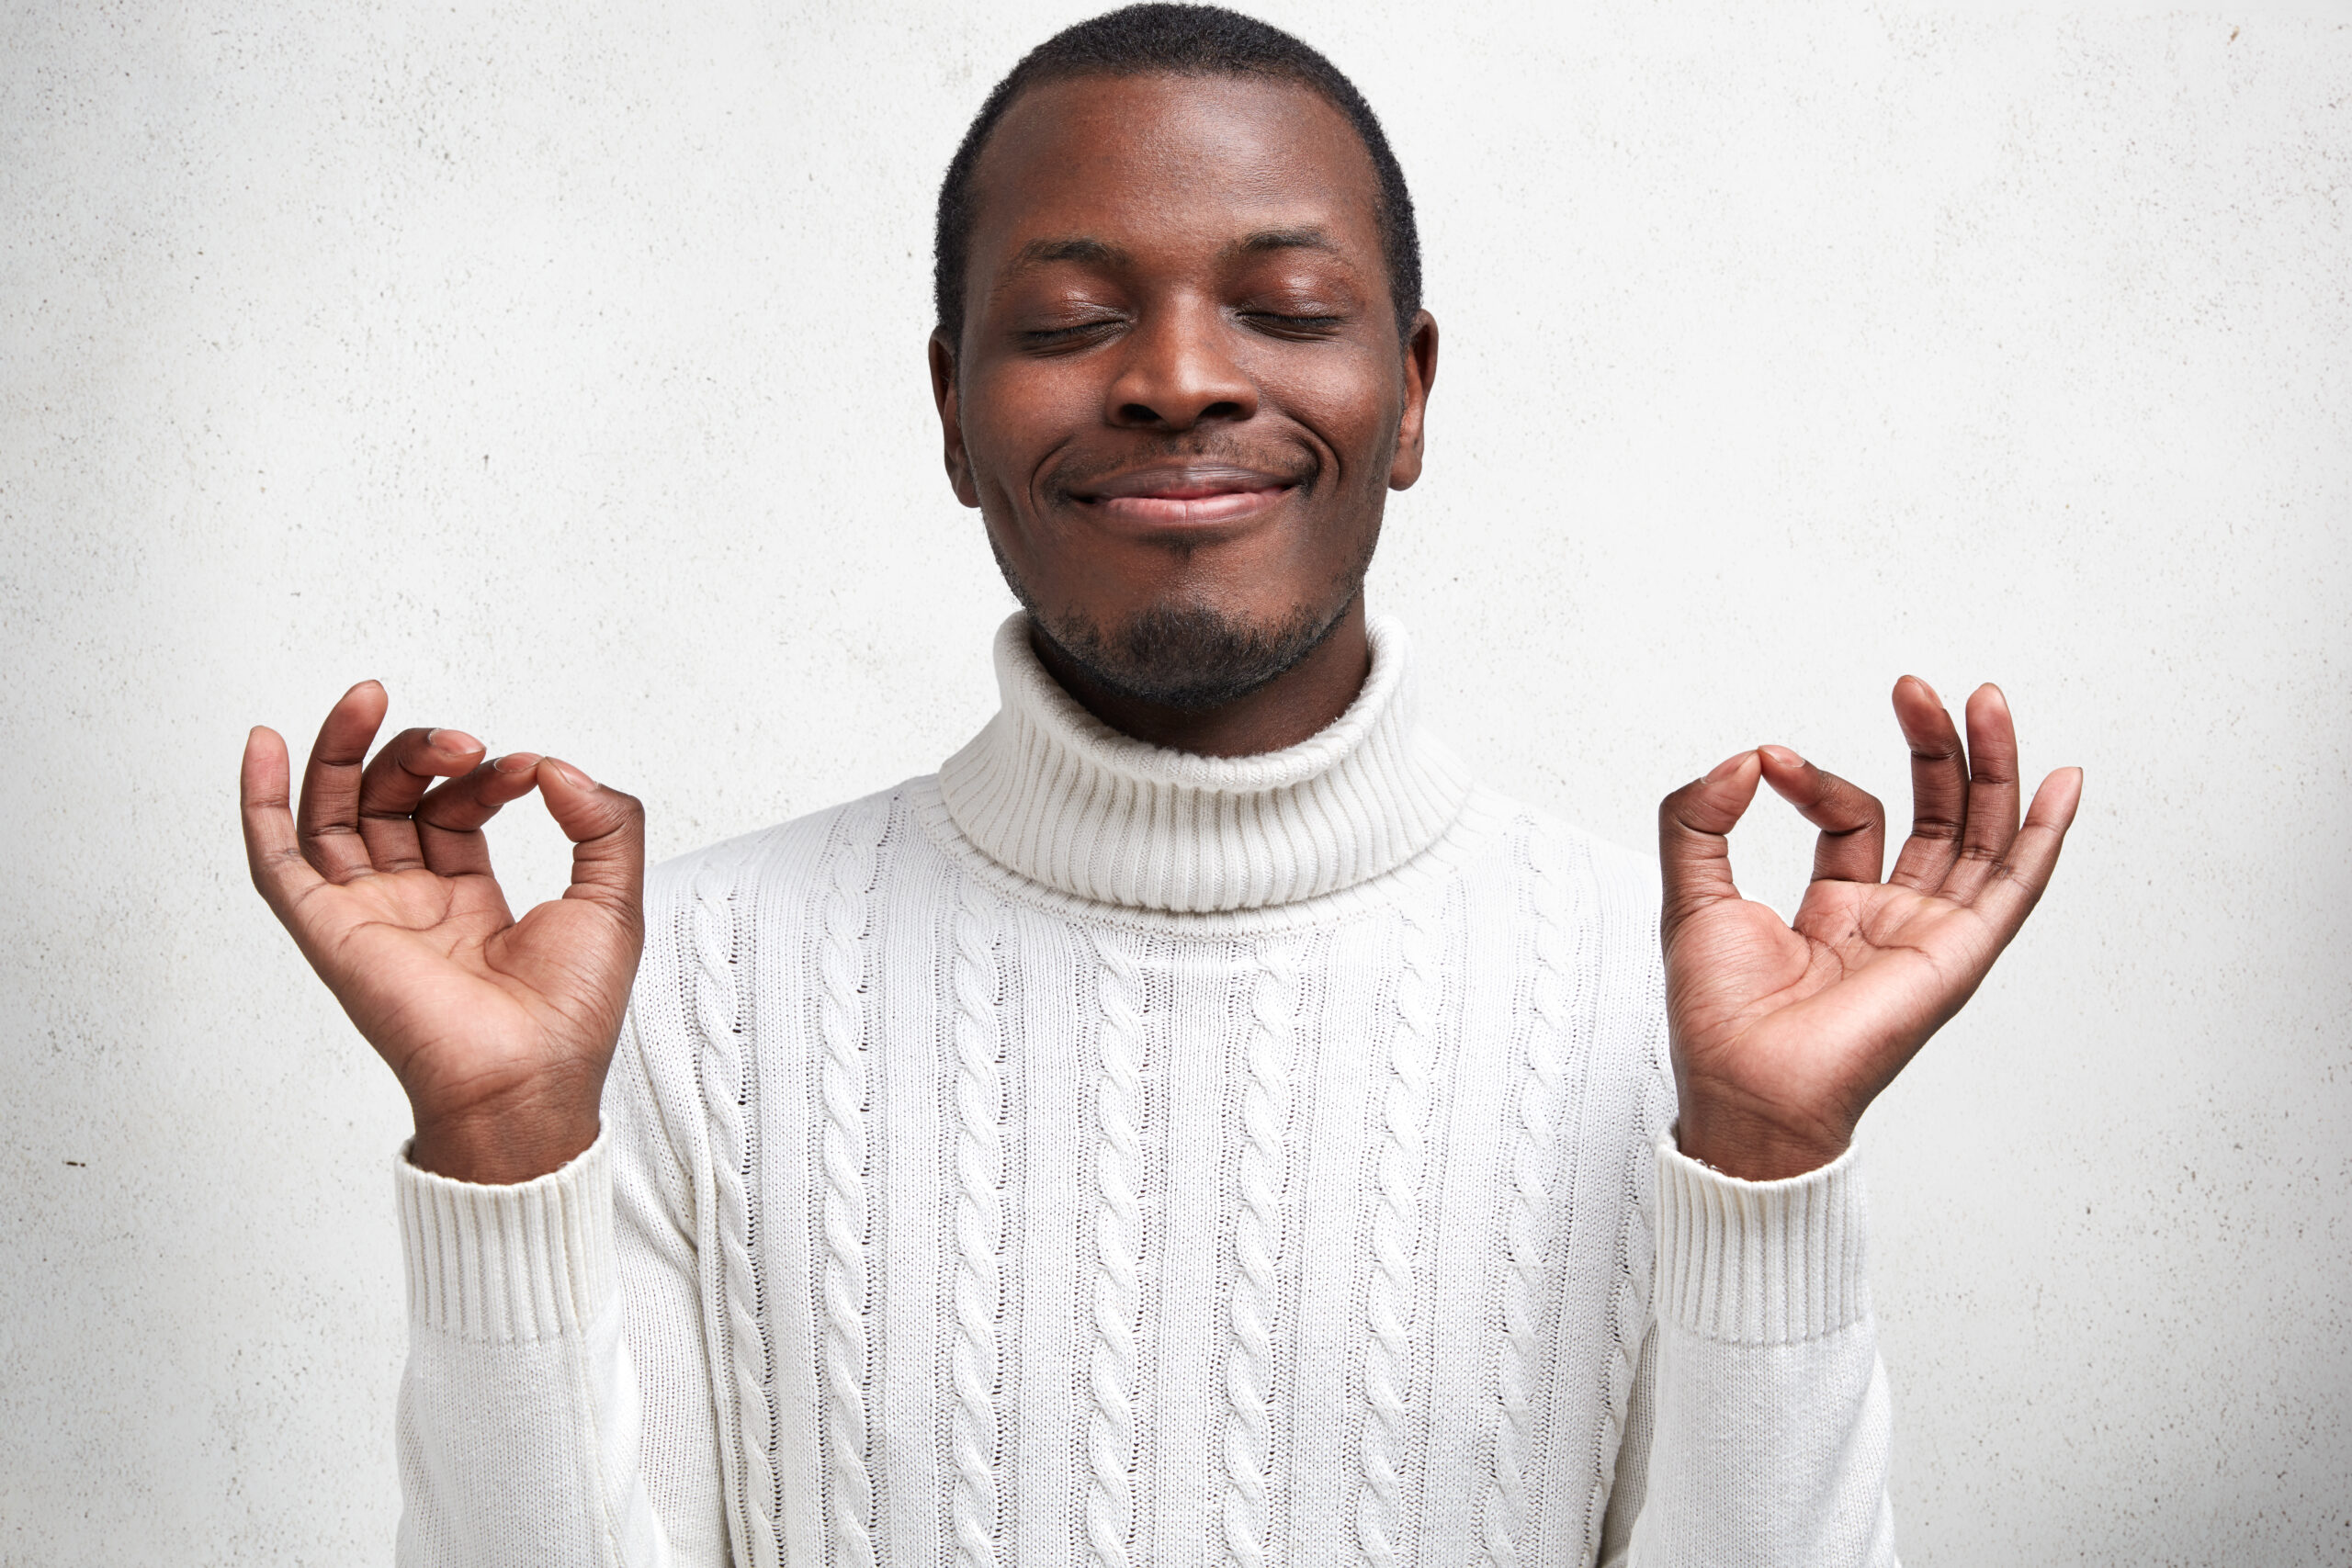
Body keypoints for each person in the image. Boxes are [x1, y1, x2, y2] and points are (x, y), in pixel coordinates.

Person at [237, 7, 2081, 1565]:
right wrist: (498, 1144)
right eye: (1062, 323)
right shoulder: (666, 988)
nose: (1179, 378)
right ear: (952, 410)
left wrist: (1764, 1157)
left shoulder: (1668, 997)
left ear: (1410, 393)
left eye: (1283, 305)